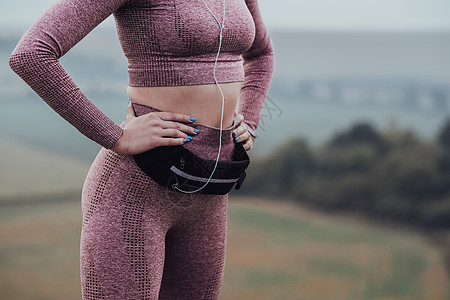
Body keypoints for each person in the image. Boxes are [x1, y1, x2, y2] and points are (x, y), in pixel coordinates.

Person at [9, 0, 274, 299]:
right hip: (137, 190)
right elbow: (32, 55)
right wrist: (115, 137)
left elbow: (262, 54)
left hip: (209, 194)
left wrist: (248, 118)